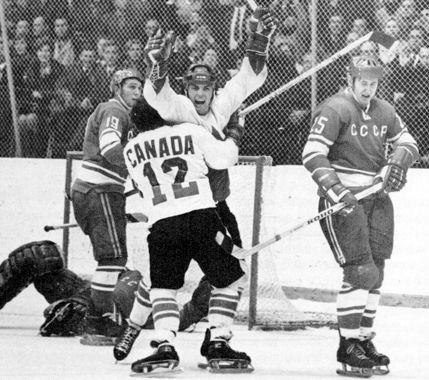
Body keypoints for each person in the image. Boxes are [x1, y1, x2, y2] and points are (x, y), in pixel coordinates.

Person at [301, 55, 419, 377]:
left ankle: (363, 340)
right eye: (363, 82)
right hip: (342, 201)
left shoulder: (385, 111)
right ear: (350, 79)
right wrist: (336, 190)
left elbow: (408, 141)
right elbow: (312, 153)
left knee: (376, 271)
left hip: (375, 200)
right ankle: (347, 344)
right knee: (360, 269)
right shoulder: (335, 108)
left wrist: (396, 162)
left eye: (373, 83)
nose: (368, 88)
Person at [120, 97, 250, 375]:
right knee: (233, 277)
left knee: (163, 289)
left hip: (162, 224)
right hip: (201, 218)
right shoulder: (190, 130)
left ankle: (164, 345)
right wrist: (234, 133)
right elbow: (226, 158)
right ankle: (218, 340)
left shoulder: (130, 150)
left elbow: (140, 192)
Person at [143, 5, 276, 250]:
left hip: (211, 202)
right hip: (179, 206)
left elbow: (249, 78)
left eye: (205, 88)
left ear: (214, 89)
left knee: (235, 257)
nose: (200, 94)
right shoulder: (179, 107)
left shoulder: (221, 103)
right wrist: (157, 65)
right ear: (186, 89)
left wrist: (259, 39)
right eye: (195, 88)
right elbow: (157, 97)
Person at [0, 240, 212, 338]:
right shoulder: (135, 280)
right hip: (100, 292)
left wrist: (214, 281)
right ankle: (80, 310)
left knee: (42, 259)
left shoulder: (162, 311)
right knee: (43, 255)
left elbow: (192, 312)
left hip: (110, 306)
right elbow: (192, 311)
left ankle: (81, 312)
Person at [70, 68, 143, 346]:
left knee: (112, 259)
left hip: (98, 190)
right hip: (99, 189)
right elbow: (111, 148)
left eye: (139, 88)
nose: (137, 93)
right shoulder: (116, 111)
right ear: (117, 88)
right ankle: (98, 322)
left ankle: (98, 319)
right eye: (131, 87)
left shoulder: (121, 113)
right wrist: (139, 166)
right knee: (112, 260)